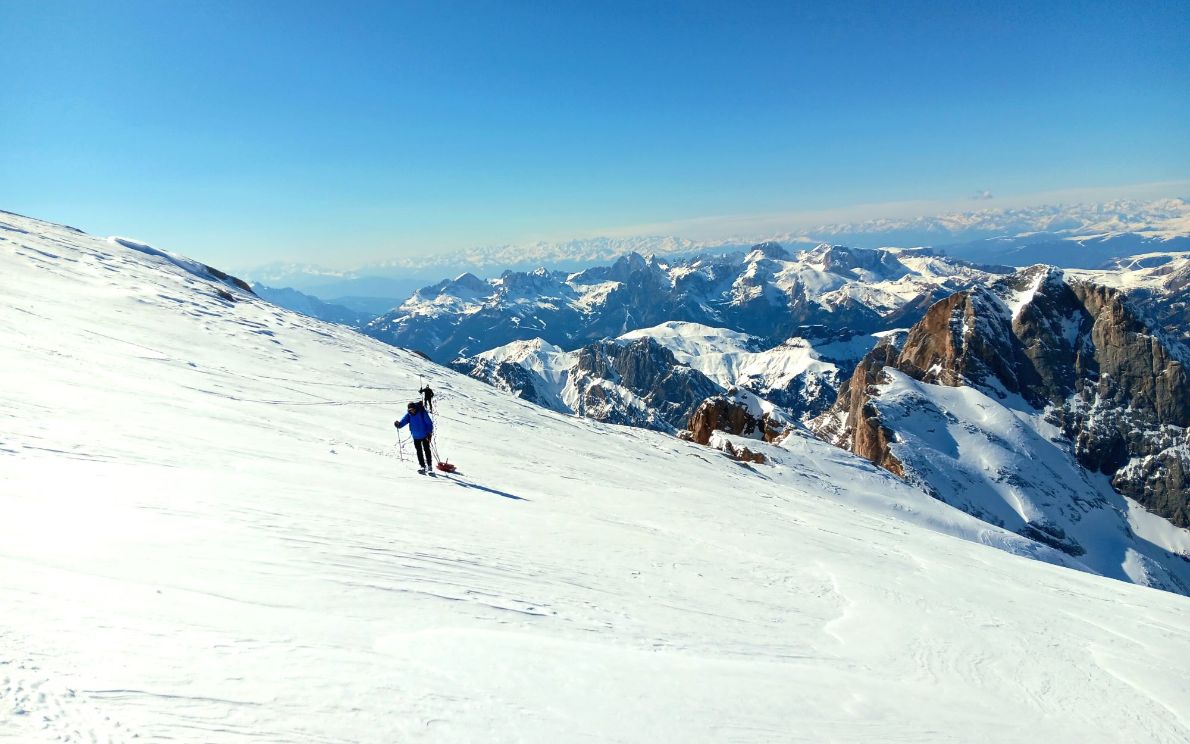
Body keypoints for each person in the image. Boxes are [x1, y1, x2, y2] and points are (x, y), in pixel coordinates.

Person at [395, 400, 434, 474]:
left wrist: (429, 433)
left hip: (425, 435)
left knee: (427, 450)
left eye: (413, 409)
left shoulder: (422, 412)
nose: (412, 411)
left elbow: (429, 423)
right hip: (416, 436)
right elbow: (403, 421)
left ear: (415, 408)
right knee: (419, 452)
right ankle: (422, 466)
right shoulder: (409, 414)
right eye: (410, 410)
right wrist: (399, 424)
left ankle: (429, 466)